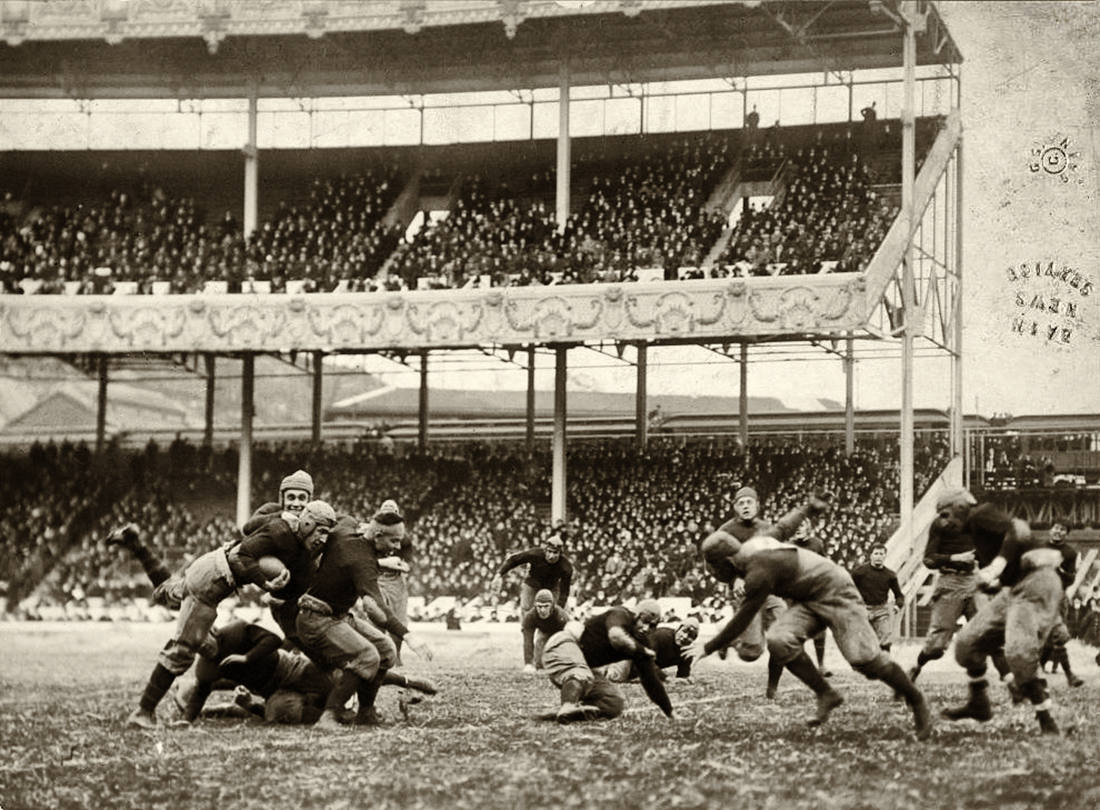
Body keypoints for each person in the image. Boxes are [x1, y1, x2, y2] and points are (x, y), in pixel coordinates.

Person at [687, 531, 932, 741]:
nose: (714, 574)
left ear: (728, 560)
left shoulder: (759, 572)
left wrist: (707, 647)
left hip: (836, 593)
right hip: (808, 598)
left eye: (715, 567)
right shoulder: (750, 549)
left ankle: (915, 698)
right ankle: (827, 693)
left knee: (865, 661)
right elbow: (780, 530)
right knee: (778, 640)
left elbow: (743, 618)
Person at [126, 500, 337, 729]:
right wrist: (266, 584)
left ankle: (137, 545)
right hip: (214, 579)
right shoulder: (280, 531)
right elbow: (242, 554)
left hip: (209, 571)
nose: (323, 539)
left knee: (171, 597)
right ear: (306, 522)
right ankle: (143, 711)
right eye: (321, 531)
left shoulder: (297, 547)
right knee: (183, 649)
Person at [296, 500, 433, 729]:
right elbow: (375, 608)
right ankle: (328, 716)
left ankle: (366, 712)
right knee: (368, 655)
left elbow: (334, 519)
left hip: (336, 616)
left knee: (387, 650)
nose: (397, 547)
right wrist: (408, 635)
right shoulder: (363, 562)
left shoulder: (345, 529)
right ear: (377, 535)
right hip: (316, 619)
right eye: (394, 540)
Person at [941, 514, 1070, 735]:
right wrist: (996, 582)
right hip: (1012, 590)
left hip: (1036, 584)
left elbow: (1018, 529)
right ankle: (978, 702)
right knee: (967, 643)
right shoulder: (965, 540)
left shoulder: (983, 515)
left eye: (947, 513)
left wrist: (996, 566)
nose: (945, 521)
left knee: (1019, 653)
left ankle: (1046, 716)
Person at [714, 487, 829, 683]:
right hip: (746, 592)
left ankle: (775, 680)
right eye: (741, 503)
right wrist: (734, 579)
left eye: (749, 502)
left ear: (757, 505)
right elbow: (715, 563)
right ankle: (727, 639)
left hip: (768, 590)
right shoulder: (725, 531)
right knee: (752, 652)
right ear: (735, 507)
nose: (746, 506)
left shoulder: (766, 528)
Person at [907, 489, 1014, 688]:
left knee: (988, 630)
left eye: (947, 514)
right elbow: (929, 559)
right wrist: (954, 558)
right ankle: (916, 666)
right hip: (950, 582)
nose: (944, 518)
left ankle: (1009, 678)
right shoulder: (939, 525)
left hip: (973, 582)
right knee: (937, 645)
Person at [539, 599, 673, 723]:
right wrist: (641, 650)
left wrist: (670, 712)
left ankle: (571, 713)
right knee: (581, 674)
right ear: (636, 615)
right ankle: (568, 705)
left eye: (652, 626)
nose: (646, 629)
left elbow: (651, 681)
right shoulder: (621, 614)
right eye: (644, 621)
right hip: (563, 646)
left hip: (582, 664)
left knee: (613, 702)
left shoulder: (642, 642)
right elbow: (616, 636)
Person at [491, 530, 574, 670]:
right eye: (549, 551)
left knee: (554, 616)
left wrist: (558, 608)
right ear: (545, 549)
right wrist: (499, 574)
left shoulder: (566, 567)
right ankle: (527, 634)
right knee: (527, 614)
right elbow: (514, 559)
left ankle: (545, 641)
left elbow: (564, 591)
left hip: (552, 588)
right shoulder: (535, 554)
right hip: (532, 584)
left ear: (561, 554)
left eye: (555, 553)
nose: (551, 556)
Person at [1040, 522, 1084, 687]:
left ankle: (1043, 665)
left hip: (1058, 595)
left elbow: (1071, 578)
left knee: (1058, 634)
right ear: (1050, 530)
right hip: (1038, 594)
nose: (1058, 531)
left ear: (1067, 534)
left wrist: (1058, 570)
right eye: (1056, 528)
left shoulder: (1070, 552)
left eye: (1062, 529)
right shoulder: (1039, 546)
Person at [606, 617, 700, 684]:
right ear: (678, 629)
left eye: (690, 635)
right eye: (684, 631)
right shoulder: (662, 636)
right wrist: (666, 678)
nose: (685, 637)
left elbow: (682, 676)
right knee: (615, 677)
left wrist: (686, 679)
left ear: (693, 640)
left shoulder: (686, 651)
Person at [850, 545, 905, 653]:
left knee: (885, 639)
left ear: (885, 556)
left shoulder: (890, 575)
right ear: (871, 555)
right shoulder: (859, 572)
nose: (878, 557)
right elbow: (848, 588)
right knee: (864, 642)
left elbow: (899, 595)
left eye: (881, 554)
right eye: (876, 554)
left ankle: (886, 666)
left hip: (881, 611)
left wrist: (898, 605)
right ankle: (863, 667)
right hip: (863, 610)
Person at [521, 589, 569, 673]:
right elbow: (528, 641)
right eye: (539, 606)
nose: (542, 610)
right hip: (543, 632)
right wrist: (528, 663)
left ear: (552, 605)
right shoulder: (530, 617)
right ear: (535, 605)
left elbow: (567, 639)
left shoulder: (561, 616)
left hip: (559, 634)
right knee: (540, 665)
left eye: (546, 606)